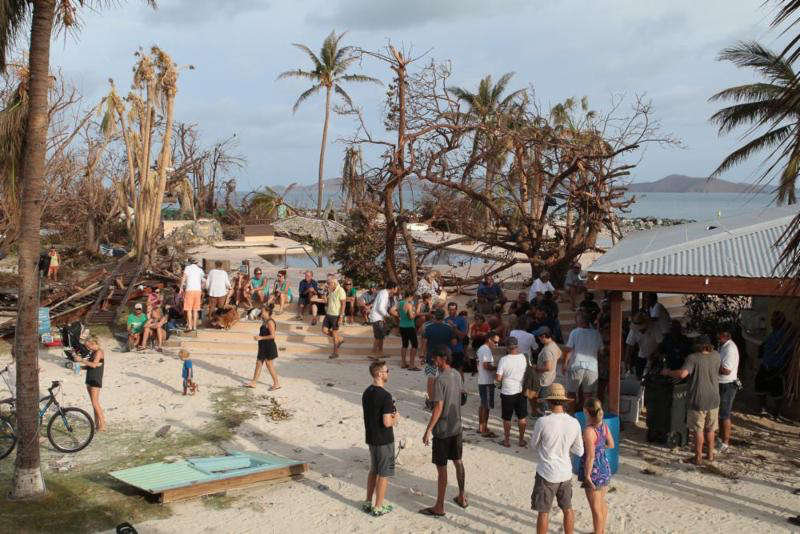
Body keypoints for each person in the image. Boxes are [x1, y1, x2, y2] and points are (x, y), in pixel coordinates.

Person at [530, 383, 583, 534]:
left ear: (549, 401)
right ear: (565, 402)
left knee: (543, 512)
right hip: (565, 473)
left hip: (546, 473)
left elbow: (533, 445)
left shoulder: (543, 422)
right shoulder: (574, 423)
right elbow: (579, 451)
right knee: (567, 509)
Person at [420, 346, 467, 516]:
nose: (434, 361)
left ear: (442, 358)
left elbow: (438, 407)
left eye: (435, 359)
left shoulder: (440, 380)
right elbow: (462, 398)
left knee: (442, 468)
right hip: (456, 427)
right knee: (458, 461)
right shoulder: (456, 374)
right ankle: (462, 496)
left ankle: (439, 506)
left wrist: (428, 430)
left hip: (442, 430)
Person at [661, 335, 721, 465]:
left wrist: (668, 372)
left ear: (697, 345)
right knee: (710, 429)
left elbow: (683, 374)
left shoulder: (693, 358)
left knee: (698, 429)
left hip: (698, 399)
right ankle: (710, 455)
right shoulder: (716, 355)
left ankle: (698, 457)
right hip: (714, 398)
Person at [361, 360, 398, 517]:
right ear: (379, 374)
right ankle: (378, 506)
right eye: (386, 371)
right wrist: (396, 417)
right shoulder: (386, 396)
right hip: (384, 440)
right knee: (383, 473)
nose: (388, 373)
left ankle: (368, 501)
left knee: (373, 470)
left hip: (371, 437)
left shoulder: (367, 391)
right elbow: (387, 422)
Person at [579, 398, 613, 534]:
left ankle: (598, 532)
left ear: (586, 412)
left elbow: (590, 456)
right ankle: (601, 530)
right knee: (601, 503)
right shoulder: (604, 426)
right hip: (604, 467)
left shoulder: (588, 431)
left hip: (594, 471)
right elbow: (611, 444)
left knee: (595, 508)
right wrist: (600, 448)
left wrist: (587, 475)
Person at [755, 311, 794, 419]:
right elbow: (765, 346)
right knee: (760, 384)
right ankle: (762, 408)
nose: (772, 322)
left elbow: (788, 352)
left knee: (777, 390)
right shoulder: (772, 333)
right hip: (766, 364)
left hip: (777, 366)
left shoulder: (785, 335)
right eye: (772, 320)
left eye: (775, 320)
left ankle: (776, 413)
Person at [563, 311, 603, 410]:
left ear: (578, 321)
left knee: (571, 392)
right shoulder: (596, 334)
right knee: (588, 395)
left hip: (576, 365)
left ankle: (571, 413)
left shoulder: (575, 332)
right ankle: (586, 416)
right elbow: (601, 351)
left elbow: (569, 350)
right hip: (592, 367)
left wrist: (565, 364)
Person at [496, 336, 529, 448]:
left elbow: (498, 378)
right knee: (522, 417)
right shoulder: (523, 357)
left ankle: (506, 440)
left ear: (507, 347)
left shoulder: (503, 360)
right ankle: (521, 440)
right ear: (517, 346)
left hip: (508, 391)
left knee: (507, 417)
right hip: (521, 390)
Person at [421, 309, 454, 410]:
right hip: (445, 357)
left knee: (431, 378)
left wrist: (422, 355)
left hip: (432, 356)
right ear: (444, 316)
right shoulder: (449, 328)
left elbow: (425, 343)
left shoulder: (428, 327)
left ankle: (431, 401)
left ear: (434, 316)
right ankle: (445, 400)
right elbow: (453, 342)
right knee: (445, 378)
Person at [74, 336, 106, 432]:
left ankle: (103, 425)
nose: (87, 348)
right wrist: (80, 367)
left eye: (88, 346)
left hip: (95, 379)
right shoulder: (93, 352)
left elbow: (94, 364)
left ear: (93, 344)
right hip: (90, 377)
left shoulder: (99, 351)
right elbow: (90, 366)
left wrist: (81, 360)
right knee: (93, 403)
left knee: (95, 403)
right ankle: (97, 424)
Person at [245, 305, 280, 390]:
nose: (261, 312)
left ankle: (276, 383)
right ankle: (254, 382)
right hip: (263, 346)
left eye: (263, 311)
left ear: (267, 312)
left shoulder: (270, 322)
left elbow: (272, 336)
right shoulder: (265, 321)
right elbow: (253, 316)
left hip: (269, 346)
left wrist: (261, 337)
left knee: (269, 364)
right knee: (259, 363)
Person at [717, 328, 740, 453]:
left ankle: (725, 442)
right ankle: (720, 439)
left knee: (725, 414)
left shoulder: (730, 349)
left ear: (725, 336)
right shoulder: (723, 346)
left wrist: (713, 364)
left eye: (719, 336)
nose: (717, 338)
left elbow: (726, 370)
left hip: (727, 385)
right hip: (721, 383)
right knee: (720, 413)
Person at [532, 326, 561, 416]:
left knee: (544, 403)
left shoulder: (547, 350)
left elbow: (548, 367)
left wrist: (536, 368)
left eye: (539, 337)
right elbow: (559, 354)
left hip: (544, 380)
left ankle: (546, 419)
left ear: (544, 336)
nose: (538, 338)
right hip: (550, 378)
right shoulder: (553, 345)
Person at [625, 312, 663, 378]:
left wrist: (653, 355)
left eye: (642, 328)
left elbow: (661, 343)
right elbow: (629, 346)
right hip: (641, 356)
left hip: (655, 356)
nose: (640, 330)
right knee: (639, 377)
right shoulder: (633, 330)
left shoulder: (655, 327)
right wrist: (627, 361)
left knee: (655, 377)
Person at [477, 331, 500, 438]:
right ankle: (484, 428)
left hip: (483, 380)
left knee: (483, 405)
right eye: (495, 342)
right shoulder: (485, 350)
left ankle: (481, 427)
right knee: (486, 406)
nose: (496, 345)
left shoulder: (482, 349)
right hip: (486, 382)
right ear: (489, 339)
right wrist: (498, 368)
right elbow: (486, 366)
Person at [369, 282, 399, 360]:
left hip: (379, 318)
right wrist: (388, 316)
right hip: (377, 318)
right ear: (393, 288)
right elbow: (380, 308)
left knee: (381, 336)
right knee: (378, 337)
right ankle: (373, 354)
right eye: (396, 288)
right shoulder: (384, 294)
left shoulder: (384, 293)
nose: (397, 289)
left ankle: (380, 353)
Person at [323, 274, 346, 359]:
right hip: (329, 314)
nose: (327, 284)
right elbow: (328, 301)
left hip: (336, 315)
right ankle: (339, 339)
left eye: (328, 283)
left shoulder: (341, 290)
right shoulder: (330, 290)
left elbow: (343, 304)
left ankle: (335, 353)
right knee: (324, 330)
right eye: (327, 283)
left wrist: (341, 317)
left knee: (335, 334)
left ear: (334, 282)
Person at [396, 289, 419, 370]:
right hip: (409, 326)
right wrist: (416, 312)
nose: (412, 299)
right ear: (410, 296)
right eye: (412, 297)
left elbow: (396, 312)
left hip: (402, 326)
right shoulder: (408, 304)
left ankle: (403, 363)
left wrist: (400, 317)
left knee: (404, 344)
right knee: (415, 345)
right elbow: (411, 317)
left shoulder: (399, 303)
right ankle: (411, 365)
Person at [180, 258, 205, 332]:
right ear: (196, 263)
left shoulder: (187, 268)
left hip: (189, 290)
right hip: (198, 291)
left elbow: (184, 278)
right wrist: (201, 288)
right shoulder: (200, 269)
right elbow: (203, 281)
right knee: (195, 310)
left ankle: (190, 326)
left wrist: (181, 288)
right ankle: (194, 327)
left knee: (189, 309)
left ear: (189, 262)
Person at [445, 302, 468, 379]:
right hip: (448, 350)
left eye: (453, 310)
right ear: (447, 309)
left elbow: (463, 335)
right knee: (448, 371)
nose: (452, 311)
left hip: (458, 349)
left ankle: (461, 389)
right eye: (450, 309)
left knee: (459, 370)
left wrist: (454, 327)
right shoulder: (445, 320)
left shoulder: (461, 320)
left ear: (456, 310)